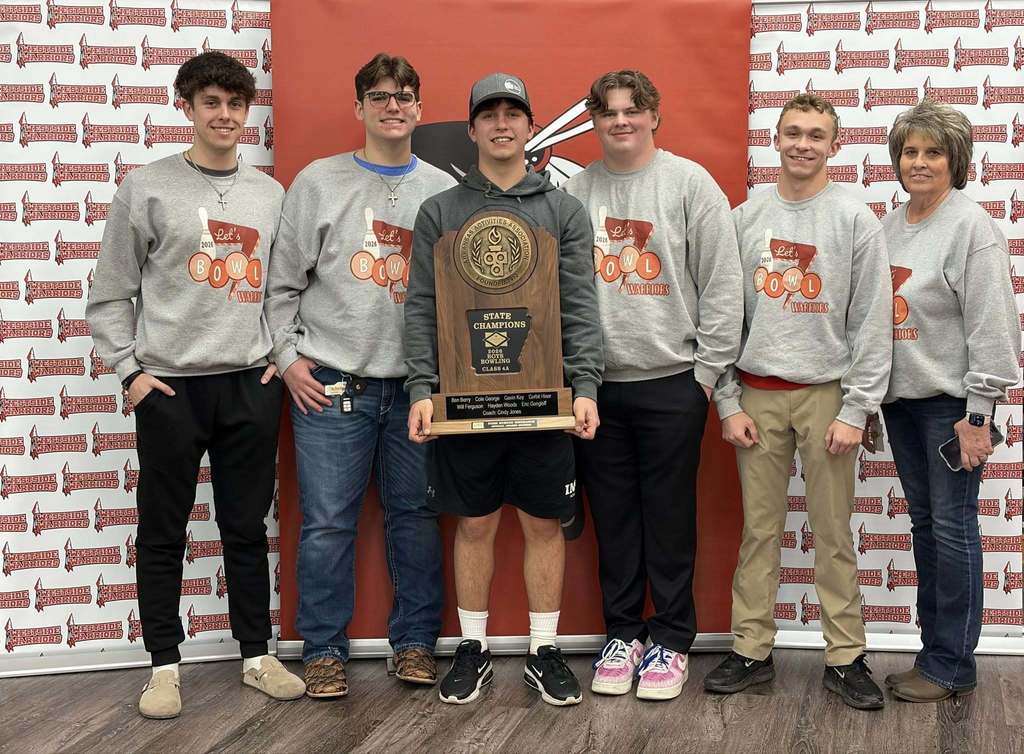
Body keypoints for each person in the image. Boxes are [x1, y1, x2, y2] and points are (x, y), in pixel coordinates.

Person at [86, 51, 304, 719]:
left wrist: (278, 357)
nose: (225, 115)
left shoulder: (271, 193)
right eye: (211, 103)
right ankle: (163, 665)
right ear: (186, 107)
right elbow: (110, 292)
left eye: (236, 104)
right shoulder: (147, 186)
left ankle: (256, 655)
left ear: (248, 112)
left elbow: (283, 288)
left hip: (249, 384)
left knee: (245, 526)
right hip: (171, 388)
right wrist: (130, 371)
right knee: (163, 530)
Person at [404, 72, 603, 706]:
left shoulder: (562, 209)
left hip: (545, 399)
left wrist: (586, 385)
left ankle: (545, 648)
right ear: (472, 129)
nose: (500, 123)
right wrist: (421, 388)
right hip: (463, 403)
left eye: (512, 112)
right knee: (475, 525)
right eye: (487, 113)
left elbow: (579, 303)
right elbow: (420, 309)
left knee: (545, 524)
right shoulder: (440, 211)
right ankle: (474, 647)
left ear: (527, 125)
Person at [263, 53, 456, 698]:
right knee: (325, 524)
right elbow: (280, 284)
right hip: (332, 384)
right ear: (359, 107)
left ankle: (416, 644)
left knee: (416, 518)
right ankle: (320, 650)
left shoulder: (442, 191)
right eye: (379, 96)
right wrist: (288, 360)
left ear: (419, 108)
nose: (393, 105)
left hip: (416, 389)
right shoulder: (317, 183)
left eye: (404, 95)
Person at [704, 94, 892, 710]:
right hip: (757, 395)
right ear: (775, 140)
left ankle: (846, 656)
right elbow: (723, 316)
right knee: (760, 532)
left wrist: (856, 410)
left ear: (835, 146)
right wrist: (726, 400)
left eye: (816, 135)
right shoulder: (746, 217)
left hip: (828, 398)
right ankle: (751, 650)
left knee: (833, 533)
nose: (803, 144)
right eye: (793, 133)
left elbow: (871, 323)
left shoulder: (854, 220)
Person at [562, 70, 743, 700]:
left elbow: (723, 285)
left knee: (668, 516)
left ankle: (669, 636)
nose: (620, 122)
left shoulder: (690, 183)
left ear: (653, 116)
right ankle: (622, 632)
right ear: (593, 119)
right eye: (608, 112)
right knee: (611, 514)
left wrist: (704, 376)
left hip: (674, 380)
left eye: (631, 111)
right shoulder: (575, 191)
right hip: (596, 386)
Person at [878, 98, 1020, 703]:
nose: (920, 161)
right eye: (910, 151)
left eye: (933, 151)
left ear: (955, 160)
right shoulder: (888, 225)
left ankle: (951, 665)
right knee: (927, 528)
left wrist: (978, 416)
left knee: (953, 530)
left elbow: (993, 326)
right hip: (901, 404)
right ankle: (933, 653)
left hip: (950, 407)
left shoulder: (970, 226)